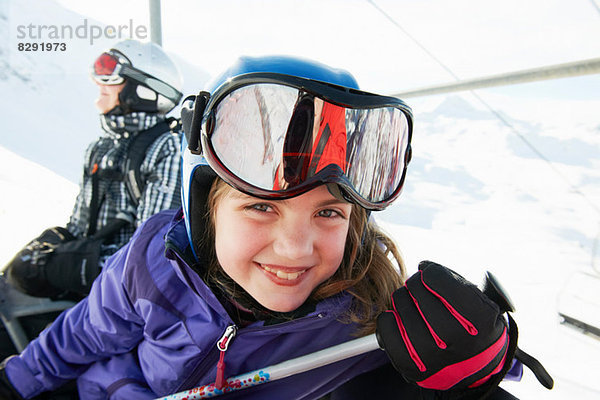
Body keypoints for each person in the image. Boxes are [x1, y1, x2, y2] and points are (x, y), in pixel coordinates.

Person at [0, 56, 552, 400]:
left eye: (329, 212)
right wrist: (17, 382)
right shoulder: (152, 264)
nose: (295, 248)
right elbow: (84, 335)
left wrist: (477, 373)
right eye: (260, 207)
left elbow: (428, 370)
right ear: (204, 209)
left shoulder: (364, 316)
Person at [3, 39, 184, 302]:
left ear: (142, 89)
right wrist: (56, 250)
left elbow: (151, 251)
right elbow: (79, 225)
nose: (99, 83)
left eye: (110, 76)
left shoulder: (166, 147)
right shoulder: (99, 147)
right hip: (90, 283)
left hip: (127, 292)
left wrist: (75, 267)